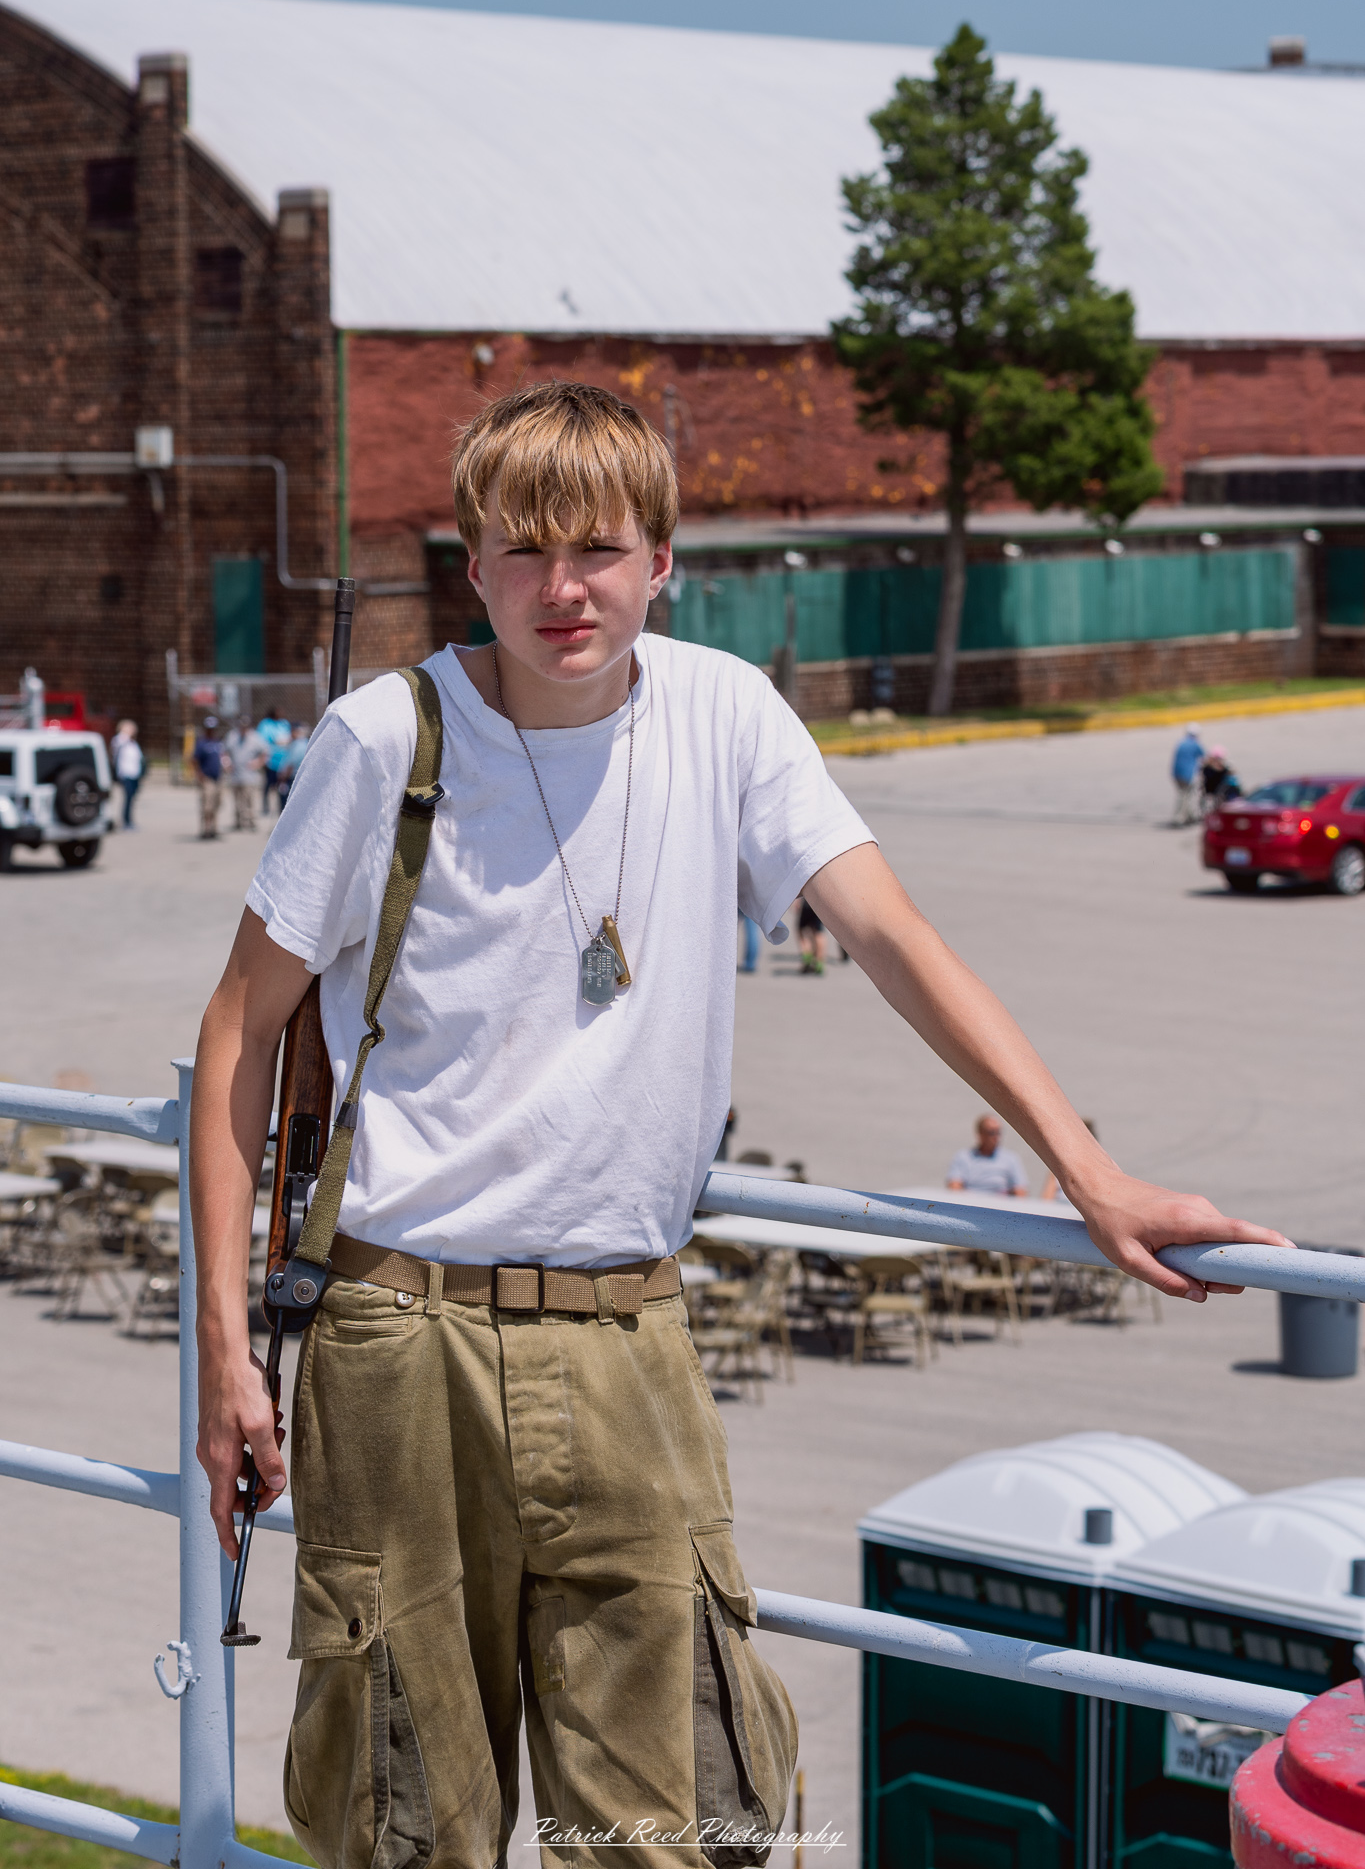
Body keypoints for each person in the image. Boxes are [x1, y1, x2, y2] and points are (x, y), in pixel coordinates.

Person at [190, 381, 1287, 1869]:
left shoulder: (725, 715)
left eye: (597, 550)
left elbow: (891, 936)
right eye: (521, 552)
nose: (560, 590)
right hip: (399, 1337)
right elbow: (237, 1035)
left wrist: (1087, 1174)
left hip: (629, 1340)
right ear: (472, 566)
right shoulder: (387, 739)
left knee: (674, 1823)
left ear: (663, 561)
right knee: (403, 1827)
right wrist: (221, 1352)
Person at [947, 1114, 1031, 1195]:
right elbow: (954, 1188)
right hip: (970, 1205)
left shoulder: (1011, 1159)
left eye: (998, 1132)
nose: (996, 1137)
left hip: (1000, 1206)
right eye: (991, 1132)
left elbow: (1020, 1191)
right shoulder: (963, 1157)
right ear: (980, 1134)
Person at [224, 717, 267, 833]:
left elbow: (265, 753)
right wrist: (226, 763)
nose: (243, 729)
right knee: (237, 800)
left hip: (250, 776)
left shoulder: (255, 738)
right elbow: (225, 752)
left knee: (250, 800)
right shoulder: (232, 736)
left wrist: (257, 763)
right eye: (241, 726)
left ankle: (251, 821)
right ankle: (238, 822)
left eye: (245, 727)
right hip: (235, 774)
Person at [191, 715, 224, 840]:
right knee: (207, 805)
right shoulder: (201, 743)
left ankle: (214, 829)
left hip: (218, 778)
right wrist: (199, 774)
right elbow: (194, 760)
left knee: (216, 804)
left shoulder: (218, 742)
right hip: (207, 778)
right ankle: (205, 829)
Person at [110, 719, 144, 830]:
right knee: (127, 798)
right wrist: (125, 733)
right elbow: (116, 749)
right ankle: (126, 821)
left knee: (132, 799)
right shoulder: (119, 740)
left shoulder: (133, 742)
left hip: (134, 774)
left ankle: (129, 820)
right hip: (125, 774)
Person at [1171, 724, 1204, 826]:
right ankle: (1181, 818)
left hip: (1176, 774)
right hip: (1187, 774)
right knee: (1187, 796)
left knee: (1183, 795)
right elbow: (1204, 757)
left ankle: (1186, 816)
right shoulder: (1195, 744)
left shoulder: (1181, 743)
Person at [273, 722, 312, 809]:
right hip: (295, 778)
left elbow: (291, 765)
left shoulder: (299, 745)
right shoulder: (303, 743)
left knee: (286, 805)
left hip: (291, 779)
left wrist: (283, 778)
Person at [797, 895, 826, 974]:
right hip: (820, 903)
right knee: (818, 932)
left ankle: (807, 956)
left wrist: (797, 901)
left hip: (808, 902)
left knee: (802, 930)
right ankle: (819, 962)